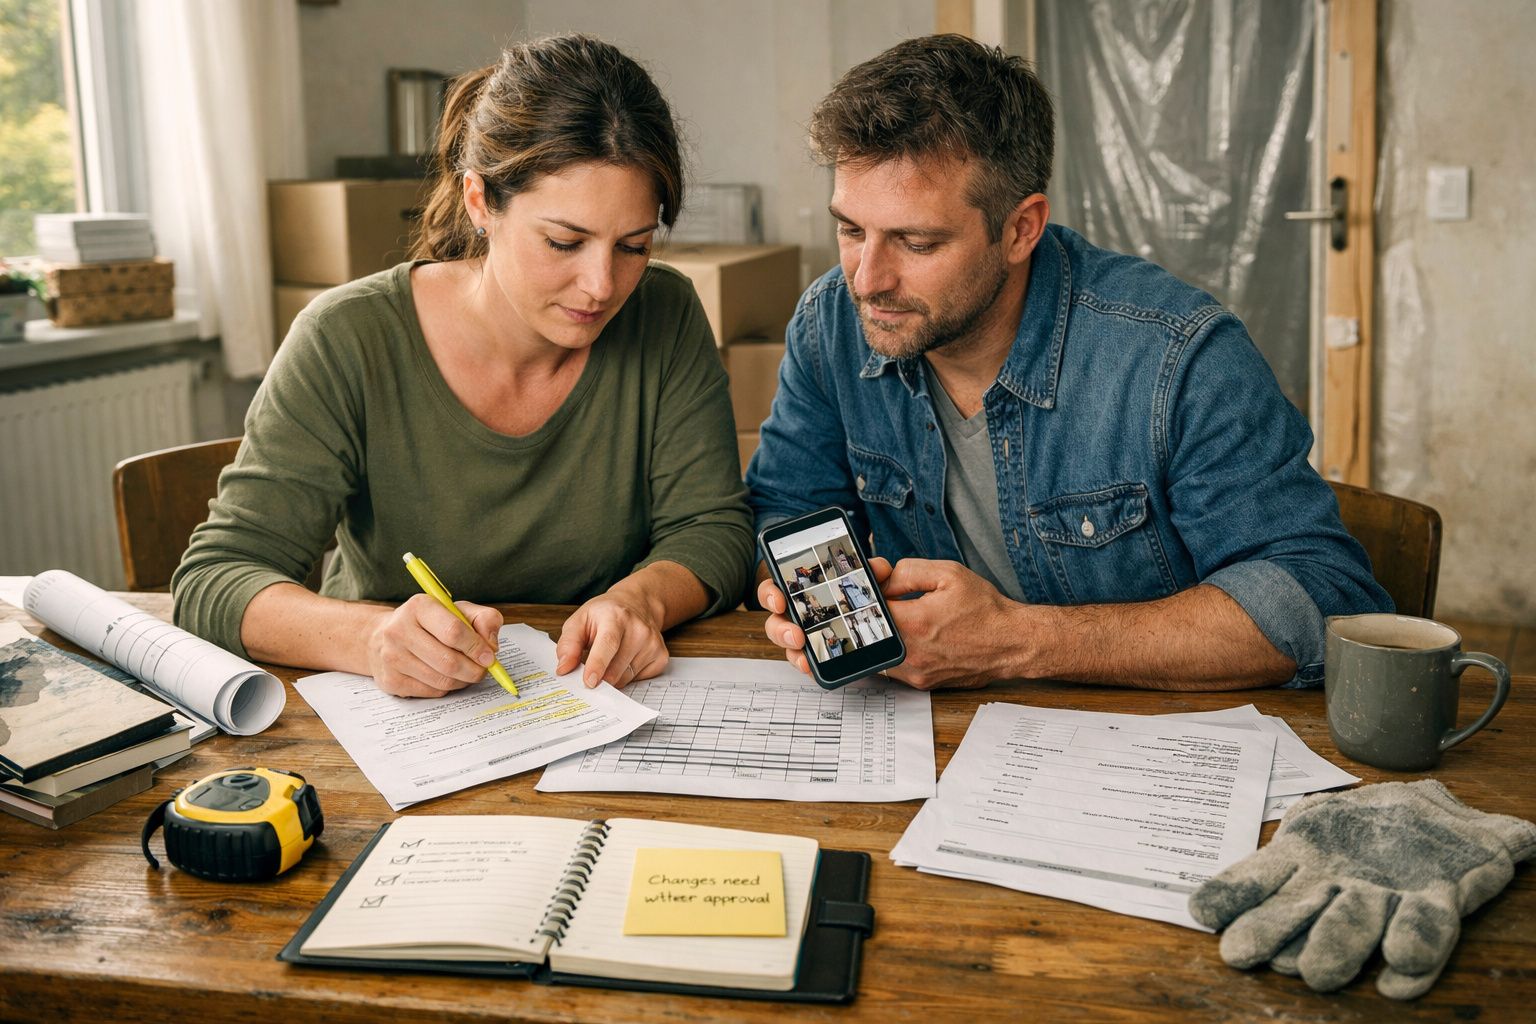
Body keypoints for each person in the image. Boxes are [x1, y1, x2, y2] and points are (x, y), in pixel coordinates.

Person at [750, 34, 1390, 692]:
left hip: (1155, 749)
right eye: (852, 230)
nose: (867, 279)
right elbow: (791, 507)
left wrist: (1019, 642)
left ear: (1021, 229)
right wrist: (812, 605)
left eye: (916, 241)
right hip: (927, 738)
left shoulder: (1180, 356)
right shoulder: (831, 323)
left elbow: (1321, 595)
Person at [174, 35, 753, 698]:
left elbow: (712, 529)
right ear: (481, 203)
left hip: (592, 702)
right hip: (386, 719)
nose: (600, 285)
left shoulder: (665, 312)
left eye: (634, 245)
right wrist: (369, 639)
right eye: (564, 242)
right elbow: (215, 578)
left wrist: (640, 601)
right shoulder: (347, 337)